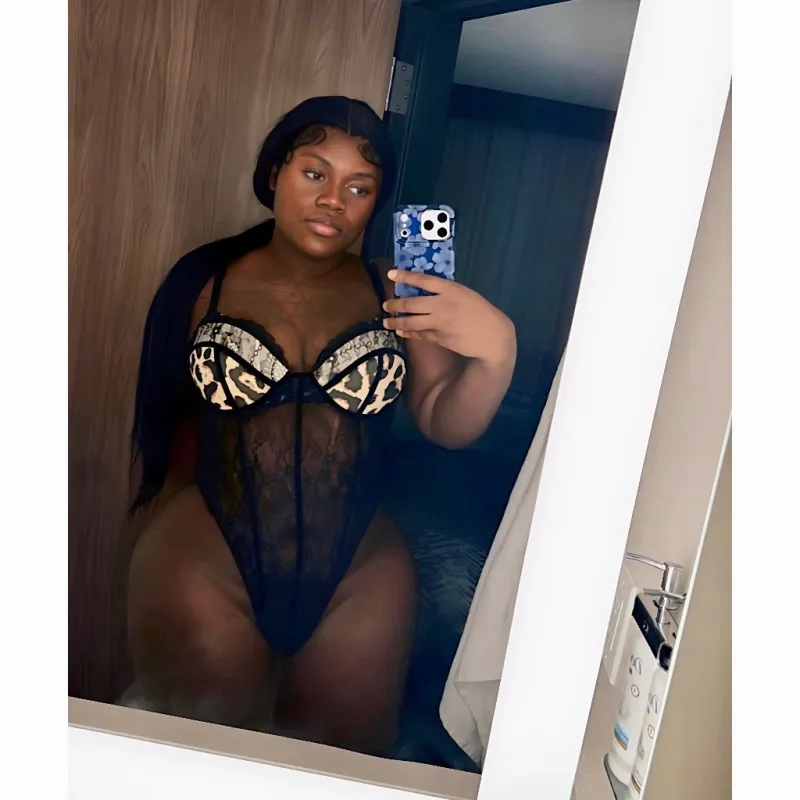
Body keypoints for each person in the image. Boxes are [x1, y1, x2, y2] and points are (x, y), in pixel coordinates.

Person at [123, 95, 516, 755]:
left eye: (360, 187)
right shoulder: (203, 281)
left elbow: (444, 420)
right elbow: (169, 420)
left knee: (339, 771)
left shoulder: (397, 291)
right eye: (315, 173)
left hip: (361, 574)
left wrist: (498, 350)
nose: (335, 199)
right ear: (275, 171)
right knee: (196, 765)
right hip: (209, 556)